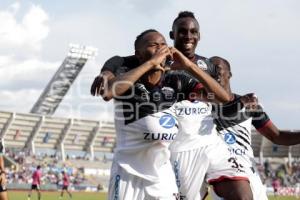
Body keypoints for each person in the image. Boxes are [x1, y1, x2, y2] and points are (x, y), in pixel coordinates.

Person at [93, 29, 231, 199]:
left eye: (163, 44)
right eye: (153, 45)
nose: (160, 49)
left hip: (162, 176)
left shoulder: (177, 81)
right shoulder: (128, 79)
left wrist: (189, 66)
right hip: (127, 174)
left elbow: (222, 98)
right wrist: (151, 63)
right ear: (139, 54)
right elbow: (108, 92)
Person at [168, 12, 255, 200]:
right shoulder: (162, 64)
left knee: (243, 195)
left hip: (212, 143)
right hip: (182, 148)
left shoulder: (207, 65)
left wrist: (238, 104)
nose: (188, 36)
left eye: (193, 31)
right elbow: (122, 62)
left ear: (199, 36)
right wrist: (108, 71)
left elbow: (221, 101)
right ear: (172, 35)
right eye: (182, 31)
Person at [208, 56, 300, 200]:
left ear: (229, 74)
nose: (213, 72)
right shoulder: (202, 108)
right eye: (209, 70)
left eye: (217, 68)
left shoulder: (249, 105)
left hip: (251, 174)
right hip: (223, 175)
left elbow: (276, 136)